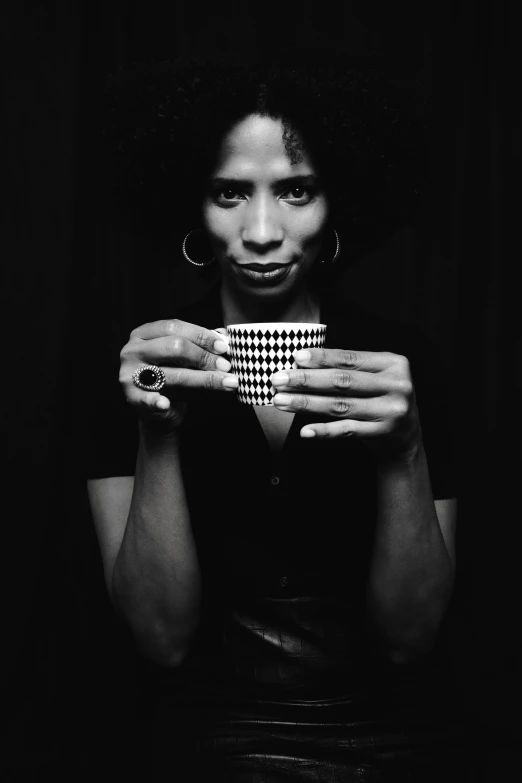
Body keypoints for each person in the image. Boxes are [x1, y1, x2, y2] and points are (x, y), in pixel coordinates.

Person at [86, 57, 471, 781]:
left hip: (393, 730)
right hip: (202, 735)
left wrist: (405, 446)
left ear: (337, 206)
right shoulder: (136, 368)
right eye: (229, 192)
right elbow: (160, 640)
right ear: (192, 208)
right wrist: (158, 433)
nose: (261, 230)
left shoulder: (406, 367)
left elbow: (411, 640)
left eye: (296, 190)